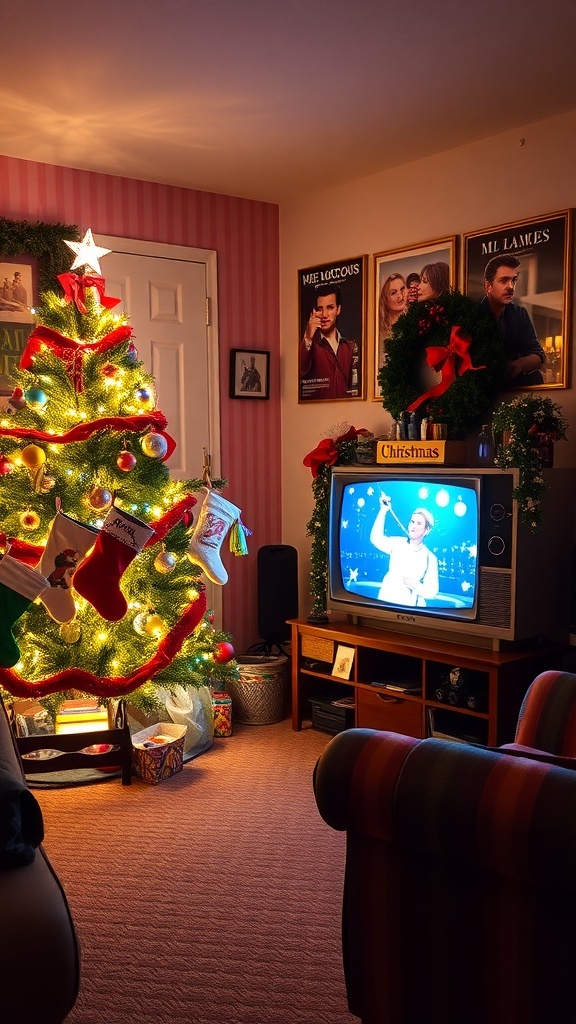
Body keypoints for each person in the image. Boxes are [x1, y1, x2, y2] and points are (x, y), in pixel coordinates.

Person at [479, 255, 545, 386]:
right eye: (503, 281)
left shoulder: (519, 313)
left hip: (514, 389)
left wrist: (518, 365)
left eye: (514, 280)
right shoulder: (473, 314)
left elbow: (538, 355)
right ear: (488, 286)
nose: (511, 286)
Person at [370, 494, 439, 607]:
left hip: (409, 609)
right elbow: (375, 539)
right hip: (385, 603)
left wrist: (417, 586)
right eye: (412, 522)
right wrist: (383, 510)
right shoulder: (397, 543)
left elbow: (432, 592)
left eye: (419, 523)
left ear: (427, 530)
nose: (413, 526)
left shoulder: (430, 558)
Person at [299, 284, 357, 399]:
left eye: (330, 307)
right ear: (314, 312)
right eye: (320, 309)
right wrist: (308, 336)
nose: (324, 315)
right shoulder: (310, 345)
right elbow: (301, 368)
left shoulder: (349, 346)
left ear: (338, 309)